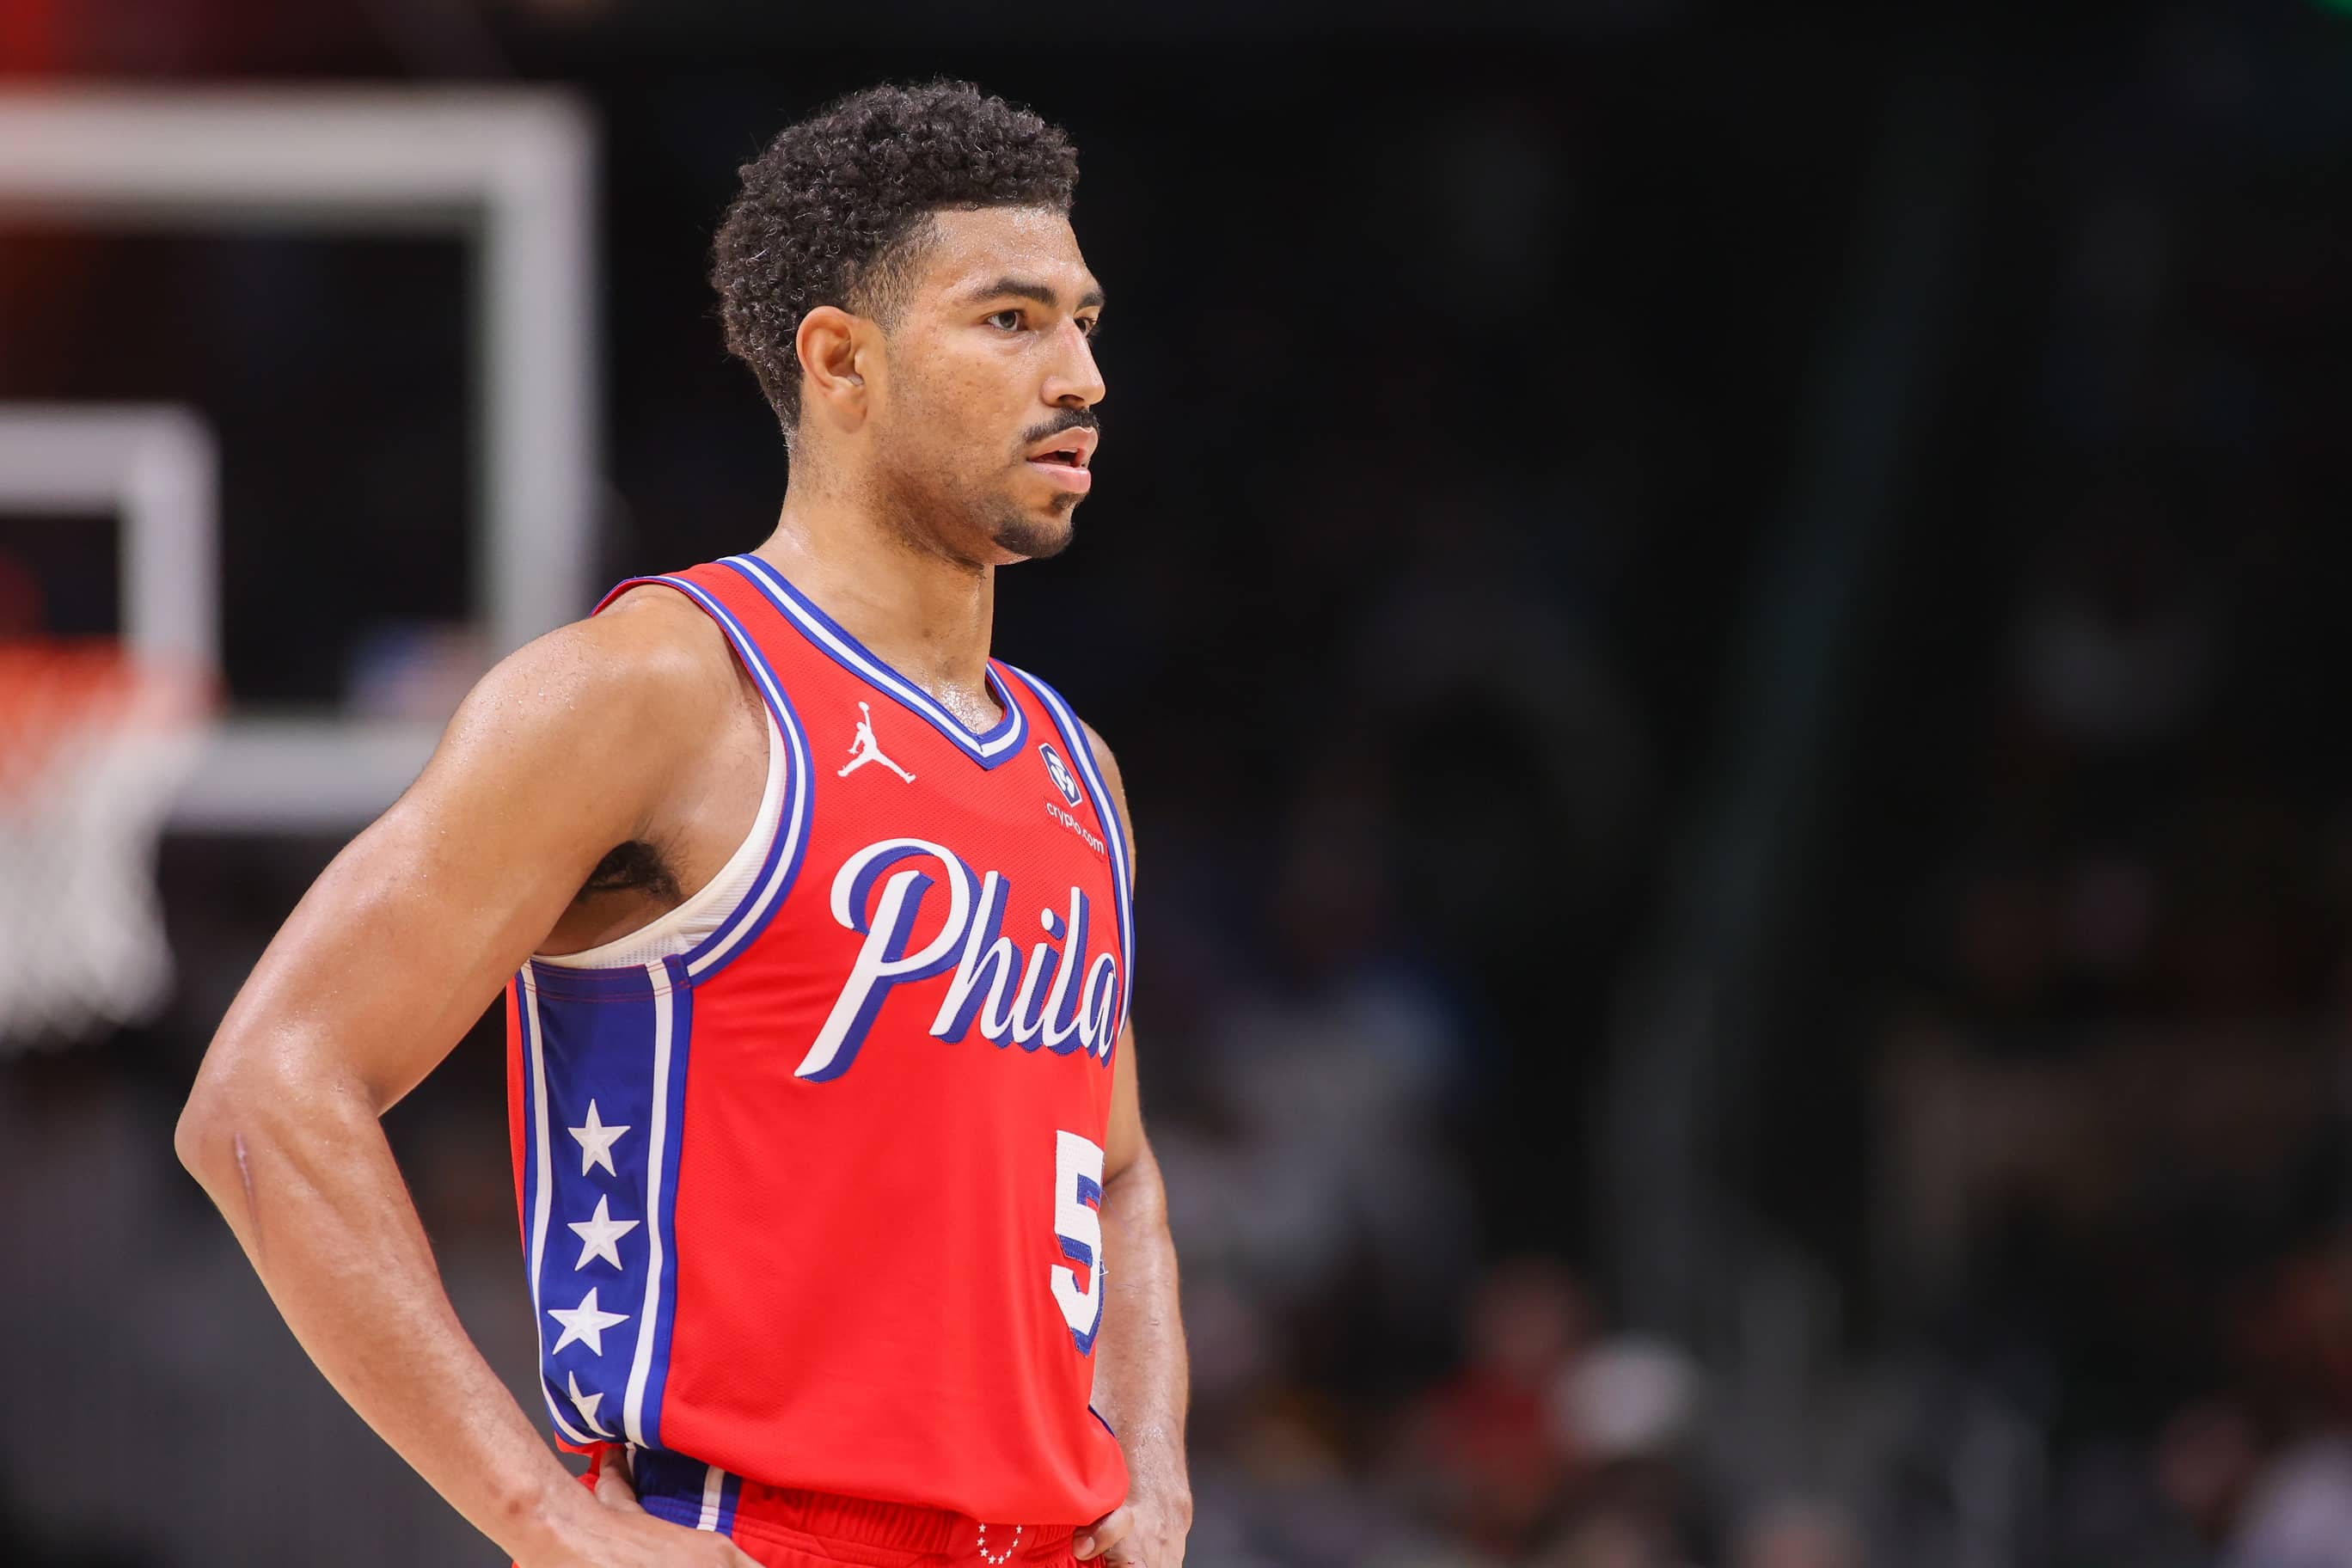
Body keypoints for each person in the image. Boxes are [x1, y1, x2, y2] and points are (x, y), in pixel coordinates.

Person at [175, 80, 1190, 1568]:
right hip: (742, 1531)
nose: (1083, 374)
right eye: (1011, 320)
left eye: (1085, 321)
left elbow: (1117, 1168)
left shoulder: (1073, 767)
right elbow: (263, 1094)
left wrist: (1153, 1465)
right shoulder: (660, 689)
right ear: (840, 360)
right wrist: (537, 1518)